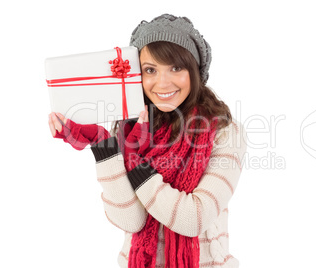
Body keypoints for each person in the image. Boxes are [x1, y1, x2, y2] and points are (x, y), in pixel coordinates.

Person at [48, 14, 247, 268]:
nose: (162, 83)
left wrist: (133, 160)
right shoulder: (131, 127)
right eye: (150, 70)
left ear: (194, 71)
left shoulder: (224, 132)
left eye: (176, 67)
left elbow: (194, 218)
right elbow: (131, 221)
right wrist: (103, 146)